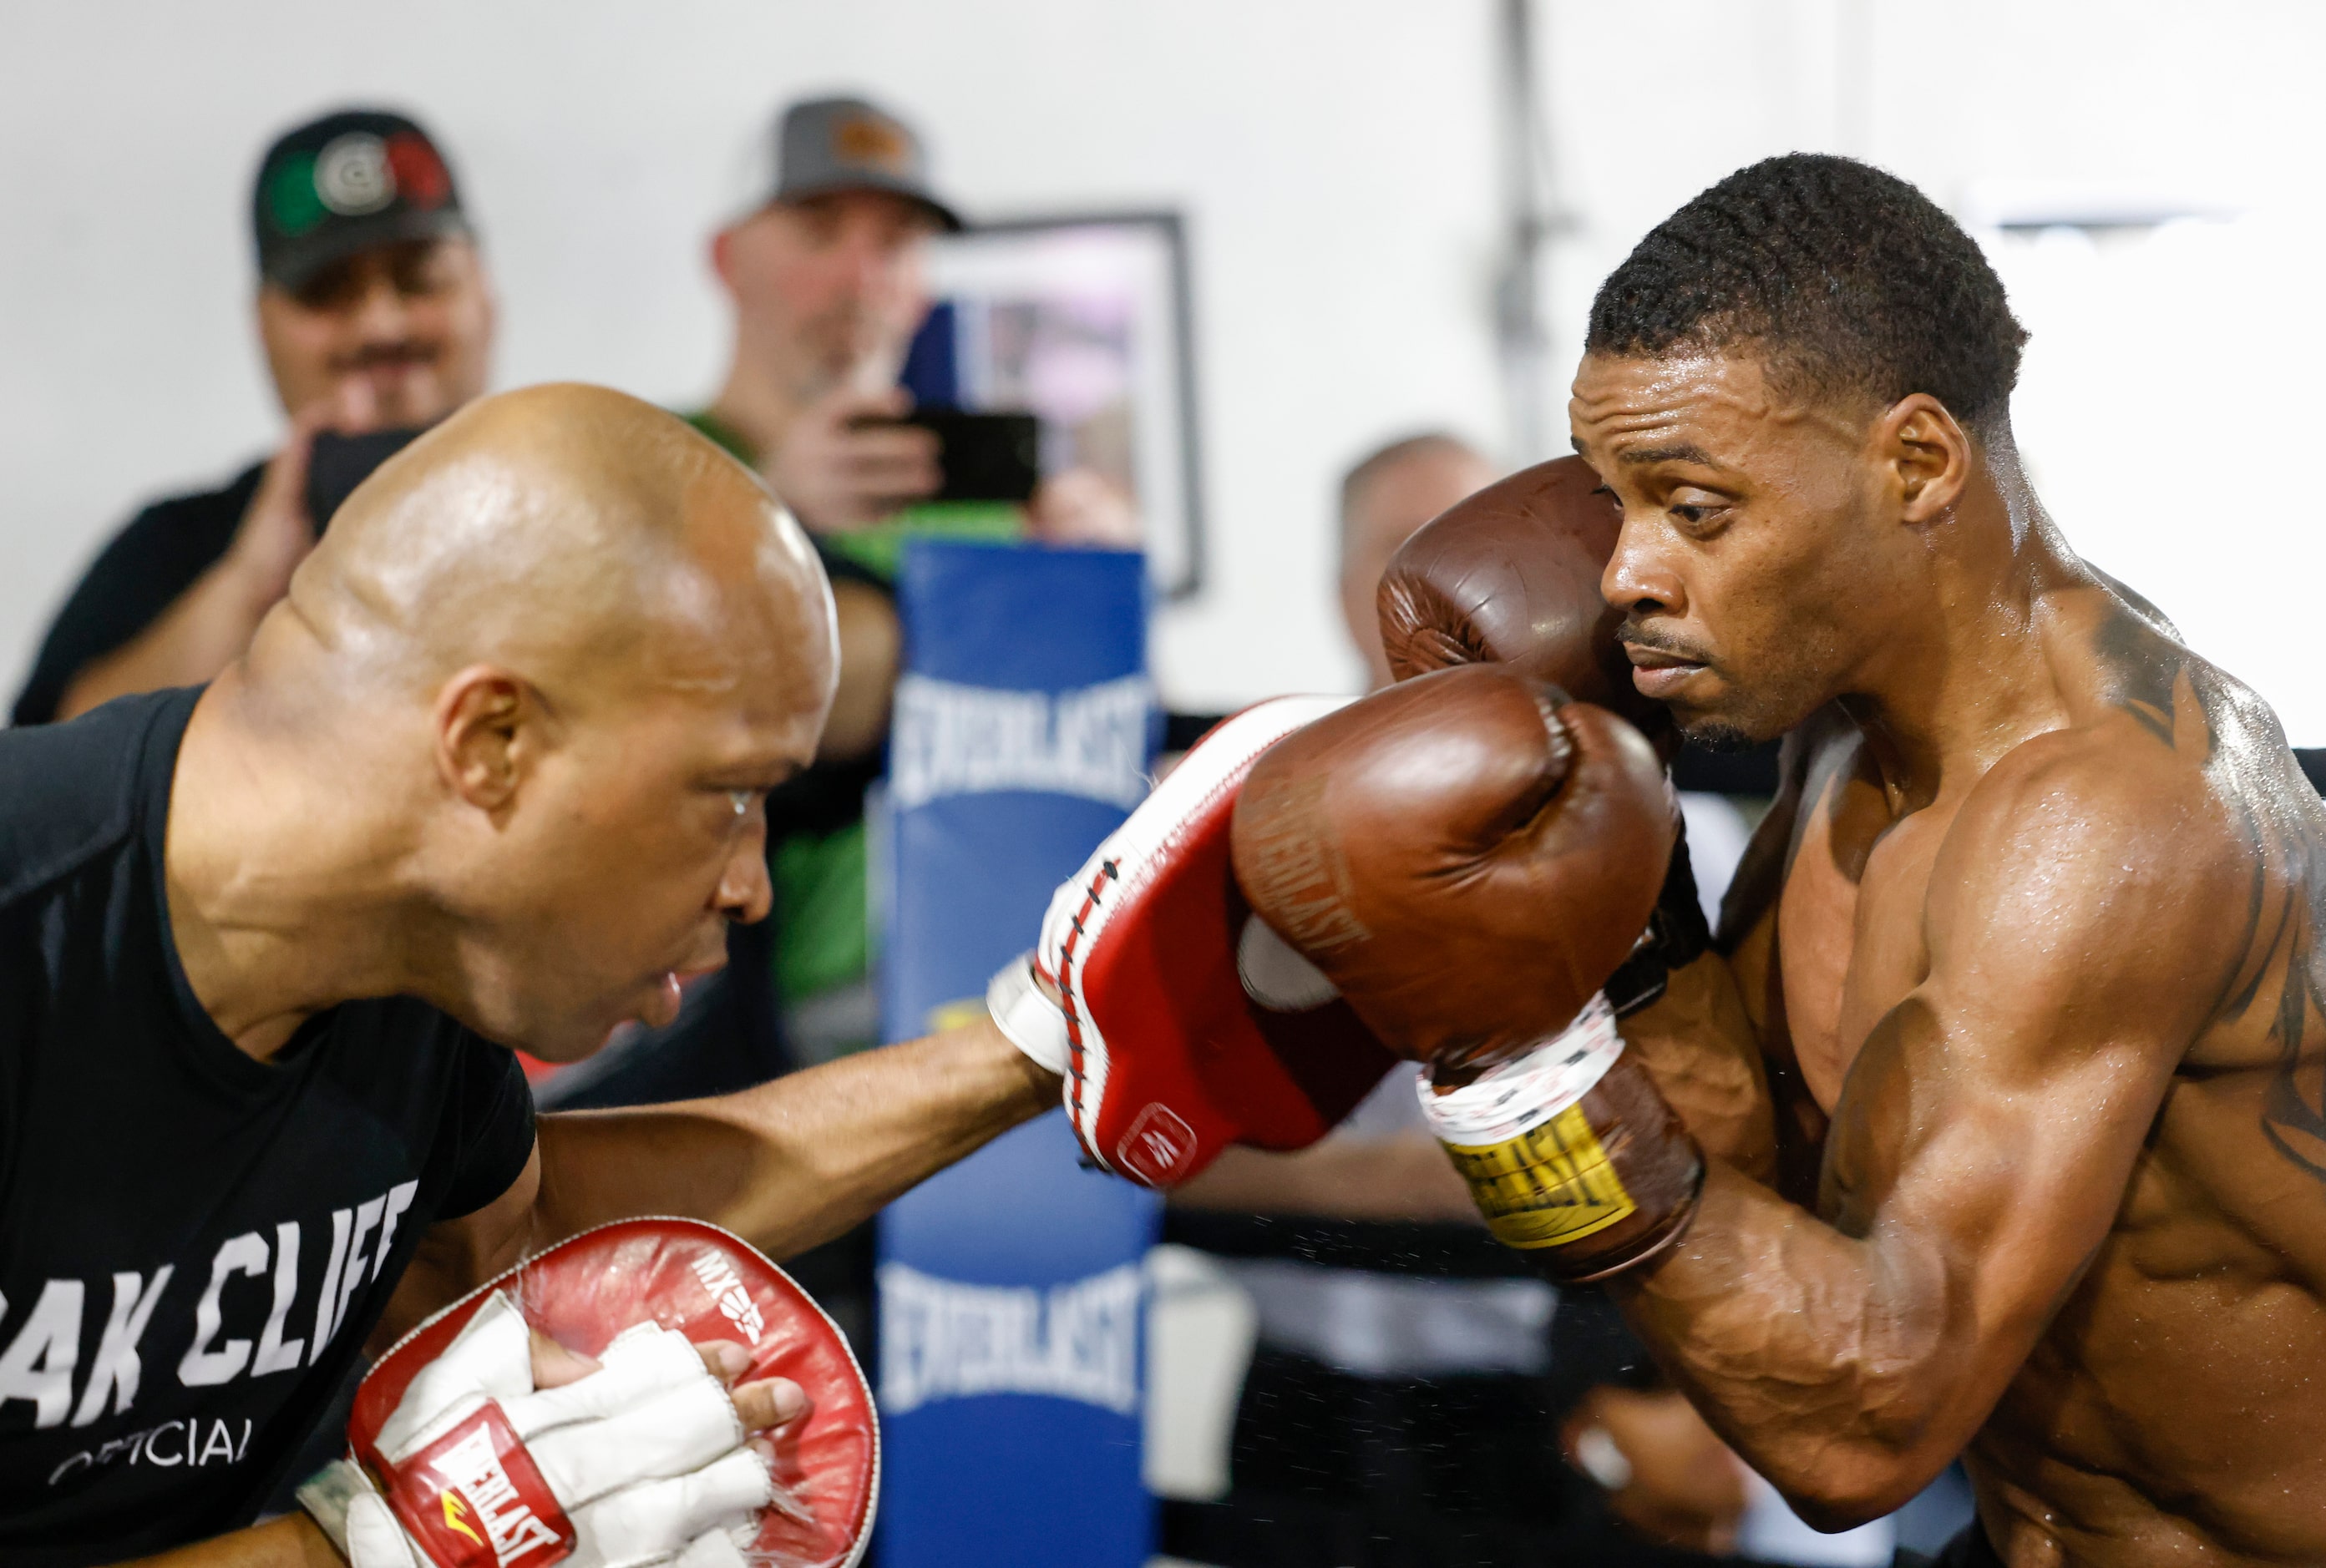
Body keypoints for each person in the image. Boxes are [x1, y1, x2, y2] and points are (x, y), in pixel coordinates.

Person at [1241, 154, 2326, 1567]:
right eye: (1615, 501)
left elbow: (1863, 1430)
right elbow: (1755, 1178)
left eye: (1693, 507)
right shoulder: (1846, 736)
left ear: (1918, 464)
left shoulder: (2111, 810)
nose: (1624, 570)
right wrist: (1615, 918)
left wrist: (1521, 1075)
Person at [0, 385, 1073, 1565]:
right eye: (730, 793)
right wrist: (383, 1548)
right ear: (492, 744)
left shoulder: (418, 958)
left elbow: (523, 1242)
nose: (752, 882)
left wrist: (1043, 1036)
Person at [12, 107, 493, 728]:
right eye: (327, 294)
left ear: (482, 297)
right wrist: (249, 591)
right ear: (262, 328)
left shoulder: (590, 499)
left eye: (419, 280)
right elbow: (46, 775)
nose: (382, 325)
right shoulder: (179, 547)